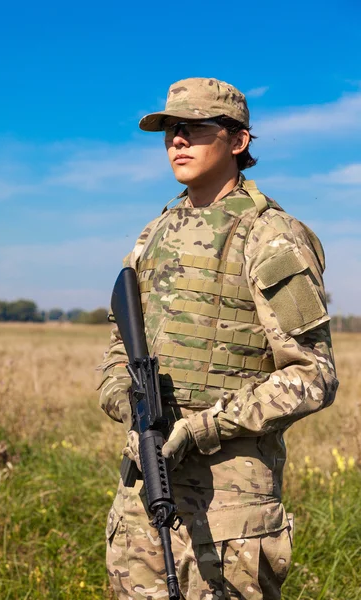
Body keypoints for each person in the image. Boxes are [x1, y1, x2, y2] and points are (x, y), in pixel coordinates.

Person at [98, 77, 338, 600]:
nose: (177, 140)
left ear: (238, 141)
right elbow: (121, 349)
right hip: (144, 500)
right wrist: (126, 404)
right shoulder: (153, 234)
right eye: (169, 130)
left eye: (194, 128)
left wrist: (202, 427)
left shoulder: (269, 235)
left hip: (231, 511)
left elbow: (313, 375)